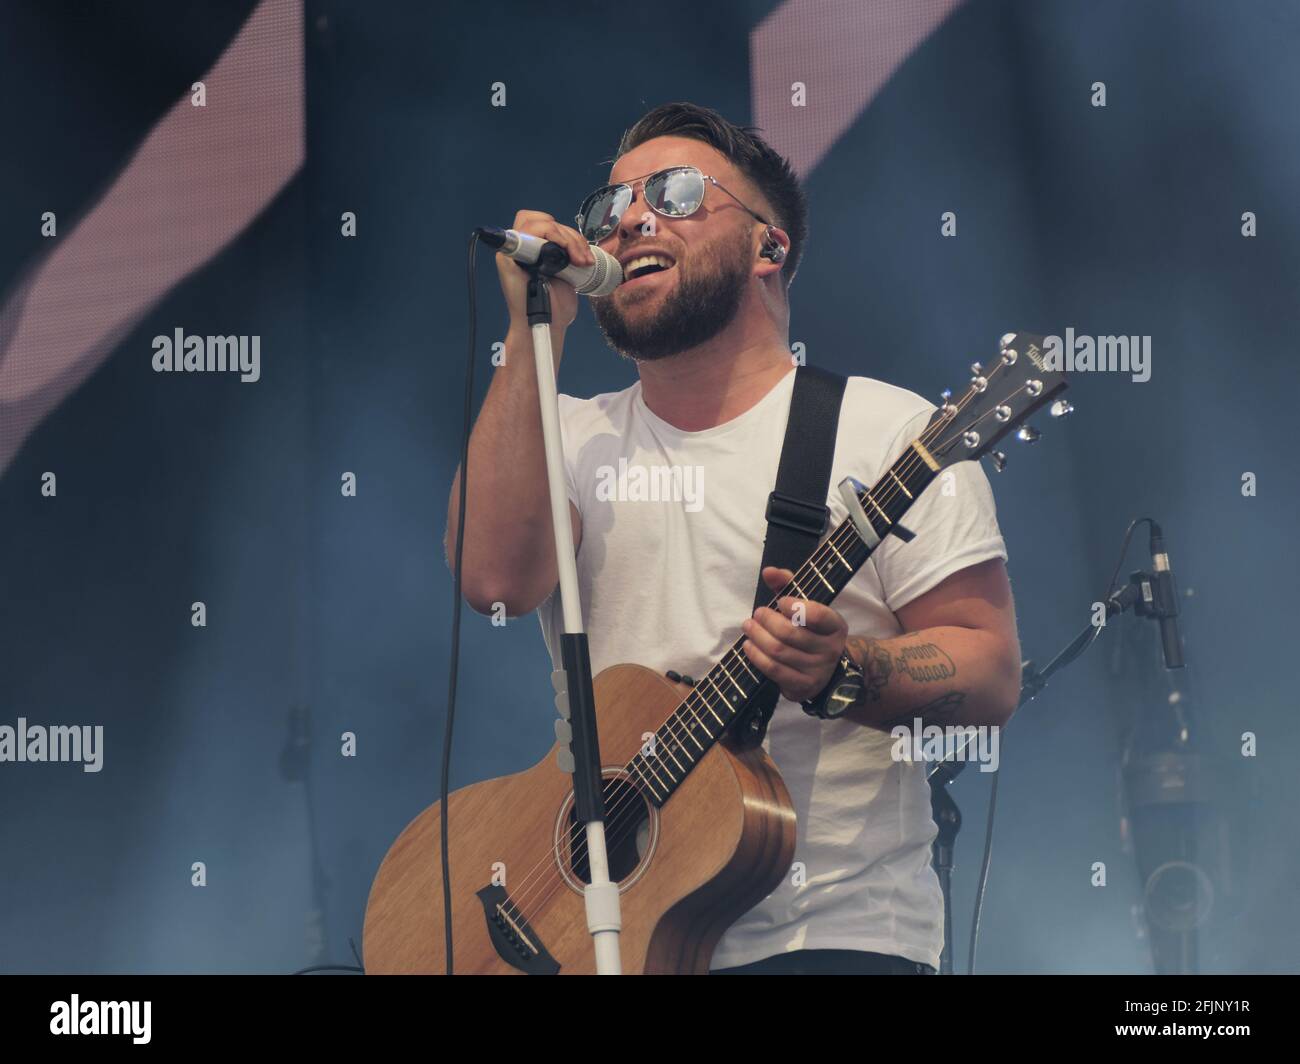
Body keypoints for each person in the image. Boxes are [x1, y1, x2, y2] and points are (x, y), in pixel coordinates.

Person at [446, 101, 1021, 975]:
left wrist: (847, 672)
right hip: (600, 936)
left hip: (826, 936)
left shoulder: (884, 430)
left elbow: (988, 668)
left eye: (674, 193)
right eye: (612, 206)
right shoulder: (569, 435)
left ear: (769, 246)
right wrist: (537, 333)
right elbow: (491, 580)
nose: (631, 217)